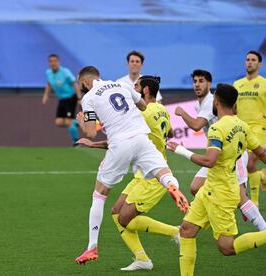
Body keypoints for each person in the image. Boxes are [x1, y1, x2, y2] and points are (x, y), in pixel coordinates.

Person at [167, 83, 266, 276]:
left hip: (222, 194)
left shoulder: (217, 129)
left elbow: (209, 161)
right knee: (186, 230)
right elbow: (261, 152)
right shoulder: (242, 125)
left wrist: (180, 150)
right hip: (210, 188)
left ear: (216, 101)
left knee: (226, 247)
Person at [74, 66, 189, 265]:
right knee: (162, 171)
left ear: (85, 82)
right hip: (141, 137)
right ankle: (172, 186)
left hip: (119, 143)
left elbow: (91, 132)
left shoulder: (89, 98)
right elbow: (143, 106)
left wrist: (82, 121)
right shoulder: (122, 85)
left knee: (99, 196)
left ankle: (92, 246)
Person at [176, 69, 266, 231]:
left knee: (240, 198)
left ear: (209, 84)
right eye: (195, 81)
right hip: (218, 154)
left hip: (233, 155)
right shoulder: (200, 104)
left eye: (201, 81)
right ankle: (210, 216)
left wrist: (182, 113)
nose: (197, 84)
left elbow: (196, 125)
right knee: (195, 187)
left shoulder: (210, 101)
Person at [233, 50, 266, 206]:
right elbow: (233, 108)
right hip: (241, 129)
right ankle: (261, 175)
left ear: (259, 64)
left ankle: (254, 201)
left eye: (253, 60)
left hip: (259, 128)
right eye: (247, 59)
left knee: (250, 161)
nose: (249, 62)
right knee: (246, 165)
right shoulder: (237, 84)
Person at [42, 54, 82, 145]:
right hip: (62, 99)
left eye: (55, 61)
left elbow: (75, 84)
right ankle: (80, 122)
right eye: (51, 61)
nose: (53, 63)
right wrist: (46, 95)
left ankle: (76, 143)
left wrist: (79, 98)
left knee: (68, 122)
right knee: (59, 122)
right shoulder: (48, 73)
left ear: (58, 62)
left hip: (71, 97)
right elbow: (49, 84)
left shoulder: (65, 72)